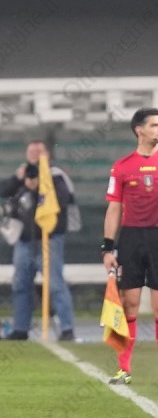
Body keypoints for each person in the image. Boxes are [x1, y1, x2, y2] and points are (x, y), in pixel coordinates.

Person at [102, 107, 158, 386]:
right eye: (154, 125)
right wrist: (107, 248)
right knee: (129, 304)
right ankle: (123, 369)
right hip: (130, 240)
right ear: (139, 130)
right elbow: (113, 209)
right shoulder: (121, 167)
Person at [0, 141, 77, 342]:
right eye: (31, 151)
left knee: (55, 283)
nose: (35, 154)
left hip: (49, 239)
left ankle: (67, 328)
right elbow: (4, 190)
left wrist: (38, 187)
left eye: (39, 151)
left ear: (47, 154)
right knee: (20, 284)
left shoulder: (56, 175)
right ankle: (20, 328)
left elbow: (62, 200)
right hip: (24, 240)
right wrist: (19, 179)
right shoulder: (22, 174)